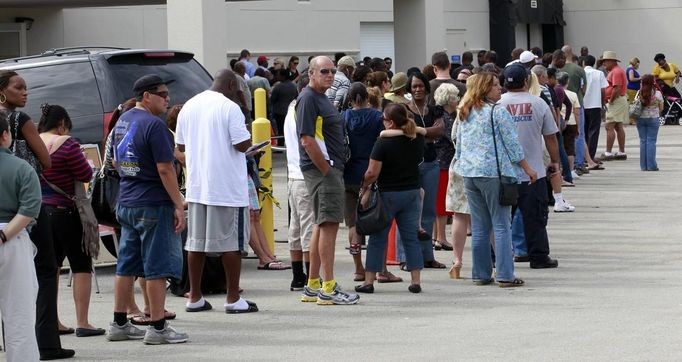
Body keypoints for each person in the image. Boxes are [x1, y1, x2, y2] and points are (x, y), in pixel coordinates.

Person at [106, 74, 188, 344]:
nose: (168, 99)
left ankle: (119, 323)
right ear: (146, 96)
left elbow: (116, 162)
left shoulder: (124, 120)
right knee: (157, 266)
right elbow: (165, 169)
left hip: (127, 200)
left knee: (126, 266)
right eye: (162, 94)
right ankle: (158, 327)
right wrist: (179, 204)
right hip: (153, 203)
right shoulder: (156, 126)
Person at [175, 69, 259, 314]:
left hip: (198, 187)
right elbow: (242, 144)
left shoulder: (189, 105)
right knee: (232, 244)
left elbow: (181, 145)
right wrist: (244, 107)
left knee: (195, 244)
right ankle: (233, 298)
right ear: (233, 85)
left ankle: (195, 297)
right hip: (226, 188)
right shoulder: (230, 107)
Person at [455, 72, 537, 286]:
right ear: (485, 89)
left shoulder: (466, 110)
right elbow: (513, 145)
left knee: (480, 227)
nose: (500, 88)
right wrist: (528, 168)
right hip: (494, 174)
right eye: (496, 86)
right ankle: (505, 275)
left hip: (471, 173)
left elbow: (459, 144)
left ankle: (481, 274)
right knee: (501, 225)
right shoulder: (498, 112)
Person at [297, 56, 360, 305]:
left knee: (321, 226)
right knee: (330, 226)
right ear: (311, 73)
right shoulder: (309, 98)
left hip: (326, 170)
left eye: (333, 71)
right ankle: (328, 286)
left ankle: (314, 285)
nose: (330, 75)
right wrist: (327, 169)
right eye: (324, 71)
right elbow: (306, 139)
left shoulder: (319, 98)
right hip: (323, 171)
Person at [35, 104, 102, 338]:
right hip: (66, 212)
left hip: (40, 212)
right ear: (62, 123)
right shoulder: (68, 144)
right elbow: (85, 174)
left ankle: (52, 321)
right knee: (81, 265)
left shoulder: (32, 143)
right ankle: (83, 322)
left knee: (50, 268)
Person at [354, 103, 427, 294]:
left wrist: (364, 186)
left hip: (388, 195)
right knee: (410, 237)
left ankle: (369, 281)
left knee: (378, 237)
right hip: (411, 192)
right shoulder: (417, 138)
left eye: (383, 119)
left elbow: (372, 172)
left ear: (390, 122)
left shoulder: (383, 143)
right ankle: (416, 280)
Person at [500, 64, 561, 269]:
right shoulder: (539, 103)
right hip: (533, 172)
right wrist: (554, 161)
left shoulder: (497, 104)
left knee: (501, 219)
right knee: (535, 217)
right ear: (526, 80)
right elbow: (550, 136)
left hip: (503, 172)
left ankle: (497, 256)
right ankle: (539, 256)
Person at [342, 82, 401, 284]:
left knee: (353, 224)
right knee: (377, 222)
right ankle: (380, 269)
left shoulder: (345, 117)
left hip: (348, 173)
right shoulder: (377, 117)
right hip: (372, 172)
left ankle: (358, 268)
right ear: (368, 97)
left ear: (349, 99)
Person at [0, 112, 42, 362]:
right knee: (19, 317)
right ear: (5, 135)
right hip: (12, 240)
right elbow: (29, 209)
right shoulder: (22, 167)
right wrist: (4, 235)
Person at [403, 72, 446, 269]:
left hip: (430, 163)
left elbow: (441, 130)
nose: (418, 89)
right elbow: (406, 132)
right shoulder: (403, 110)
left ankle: (427, 256)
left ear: (426, 88)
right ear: (409, 90)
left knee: (428, 211)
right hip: (409, 165)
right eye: (414, 86)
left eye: (421, 86)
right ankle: (407, 258)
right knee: (408, 212)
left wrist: (420, 132)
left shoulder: (434, 110)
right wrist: (428, 134)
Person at [284, 75, 314, 291]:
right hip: (305, 175)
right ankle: (311, 276)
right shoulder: (302, 110)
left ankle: (297, 276)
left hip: (293, 175)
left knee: (296, 227)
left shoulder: (290, 109)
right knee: (308, 229)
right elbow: (308, 141)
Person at [0, 70, 51, 170]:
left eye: (25, 89)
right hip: (19, 182)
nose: (25, 93)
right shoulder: (20, 119)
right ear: (1, 90)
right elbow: (47, 162)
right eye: (18, 88)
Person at [432, 84, 459, 252]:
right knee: (442, 202)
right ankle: (441, 237)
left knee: (438, 201)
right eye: (456, 97)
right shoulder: (447, 118)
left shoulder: (439, 115)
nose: (458, 100)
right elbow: (453, 138)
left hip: (438, 161)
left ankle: (437, 236)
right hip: (444, 163)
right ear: (449, 99)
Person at [601, 51, 628, 160]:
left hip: (616, 100)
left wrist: (611, 100)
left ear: (612, 61)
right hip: (620, 100)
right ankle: (621, 152)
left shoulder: (616, 71)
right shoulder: (617, 70)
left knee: (609, 126)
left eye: (605, 61)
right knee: (618, 126)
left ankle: (608, 153)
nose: (604, 64)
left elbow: (616, 88)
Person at [582, 55, 609, 163]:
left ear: (584, 62)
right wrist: (602, 102)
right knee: (593, 131)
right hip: (595, 104)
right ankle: (591, 156)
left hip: (583, 104)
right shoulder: (599, 73)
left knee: (583, 131)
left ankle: (583, 156)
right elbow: (603, 90)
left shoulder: (581, 72)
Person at [635, 74, 664, 171]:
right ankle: (652, 166)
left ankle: (643, 166)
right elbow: (661, 108)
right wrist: (655, 113)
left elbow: (636, 104)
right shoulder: (657, 93)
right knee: (651, 141)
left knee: (643, 141)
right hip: (653, 118)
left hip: (640, 119)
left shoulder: (639, 93)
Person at [271, 69, 298, 146]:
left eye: (279, 75)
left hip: (279, 111)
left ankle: (280, 144)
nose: (277, 76)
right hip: (291, 110)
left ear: (283, 76)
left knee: (280, 129)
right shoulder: (294, 86)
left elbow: (273, 99)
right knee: (291, 129)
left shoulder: (278, 87)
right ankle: (291, 144)